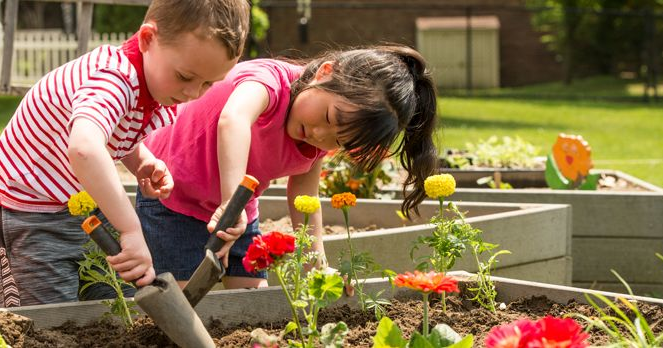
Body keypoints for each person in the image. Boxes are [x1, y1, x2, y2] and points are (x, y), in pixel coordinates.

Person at [0, 0, 249, 307]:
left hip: (79, 200)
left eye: (207, 84)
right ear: (148, 39)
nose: (192, 93)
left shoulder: (149, 81)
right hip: (28, 209)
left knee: (112, 300)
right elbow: (84, 147)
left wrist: (141, 161)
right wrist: (130, 228)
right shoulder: (113, 78)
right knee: (46, 313)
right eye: (185, 77)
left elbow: (109, 130)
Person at [138, 45, 439, 288]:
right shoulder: (269, 82)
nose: (321, 136)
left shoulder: (317, 140)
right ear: (324, 73)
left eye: (340, 140)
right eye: (330, 118)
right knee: (183, 306)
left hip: (239, 212)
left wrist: (317, 266)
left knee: (250, 305)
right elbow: (234, 120)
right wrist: (232, 202)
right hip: (171, 196)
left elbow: (304, 198)